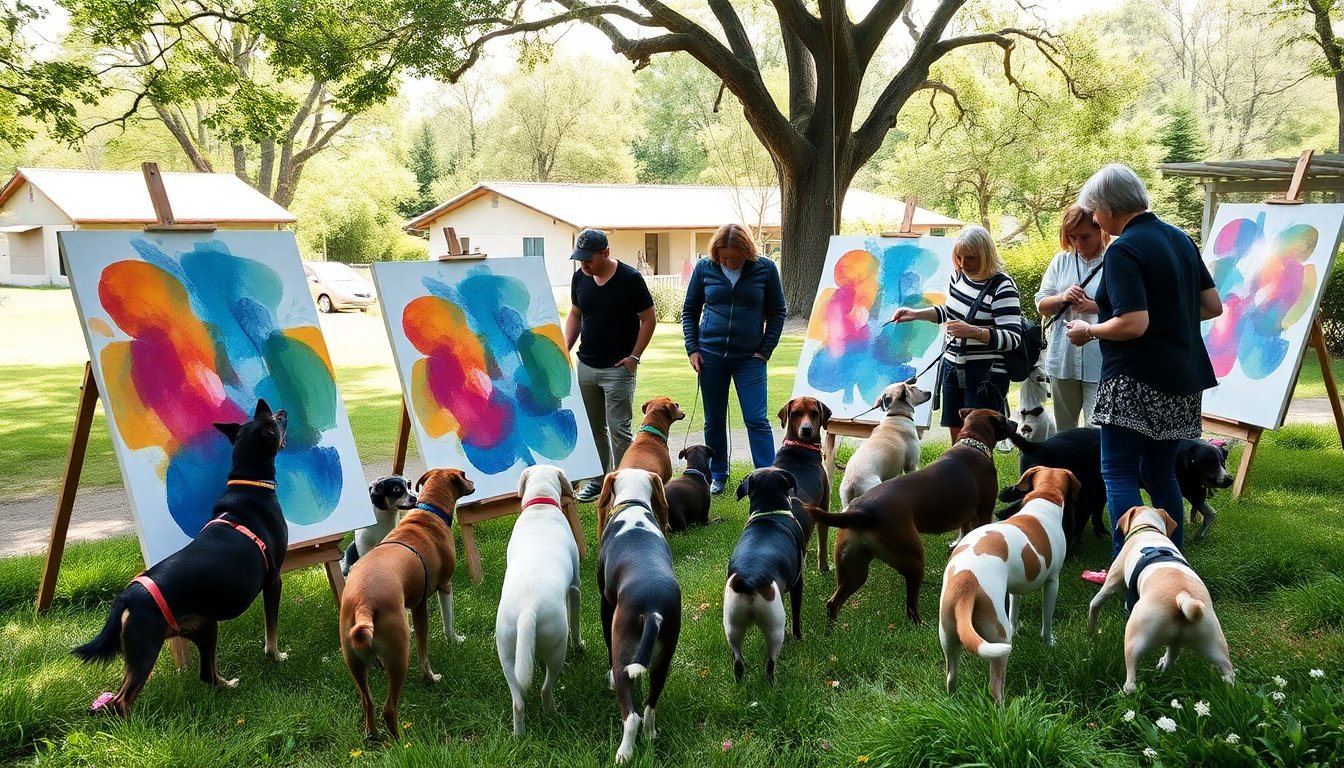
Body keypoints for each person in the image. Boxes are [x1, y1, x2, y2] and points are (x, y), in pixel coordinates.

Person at [1064, 164, 1222, 559]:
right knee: (1161, 472)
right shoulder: (1180, 239)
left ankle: (1134, 565)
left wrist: (1090, 331)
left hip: (1135, 378)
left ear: (1107, 207)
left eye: (1095, 212)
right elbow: (1210, 305)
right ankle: (1172, 563)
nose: (1096, 220)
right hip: (1183, 378)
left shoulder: (1124, 249)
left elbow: (1134, 324)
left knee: (1117, 472)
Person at [890, 225, 1023, 443]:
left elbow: (1012, 338)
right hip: (953, 367)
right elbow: (949, 312)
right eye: (959, 257)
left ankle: (979, 476)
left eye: (970, 258)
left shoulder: (1003, 287)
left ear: (985, 254)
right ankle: (958, 476)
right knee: (956, 434)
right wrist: (915, 314)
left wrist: (973, 332)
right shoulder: (958, 276)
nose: (963, 264)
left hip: (985, 375)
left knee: (977, 439)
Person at [682, 223, 787, 495]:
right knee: (713, 419)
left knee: (756, 419)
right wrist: (693, 348)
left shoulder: (765, 269)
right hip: (710, 355)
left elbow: (778, 313)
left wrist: (765, 350)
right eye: (722, 257)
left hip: (749, 358)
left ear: (746, 251)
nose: (726, 262)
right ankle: (718, 474)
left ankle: (767, 475)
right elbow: (690, 310)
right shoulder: (705, 268)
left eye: (732, 257)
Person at [564, 228, 657, 502]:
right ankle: (597, 479)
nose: (584, 264)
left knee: (619, 429)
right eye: (580, 258)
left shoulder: (630, 279)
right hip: (586, 366)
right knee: (594, 428)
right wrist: (564, 347)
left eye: (588, 258)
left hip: (618, 370)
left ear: (605, 252)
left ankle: (626, 482)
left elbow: (649, 319)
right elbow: (576, 313)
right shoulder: (580, 277)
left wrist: (634, 357)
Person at [1036, 206, 1109, 430]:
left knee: (1097, 431)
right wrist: (1062, 297)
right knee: (1064, 430)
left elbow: (1131, 311)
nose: (1078, 243)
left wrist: (1094, 306)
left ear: (1101, 230)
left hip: (1100, 359)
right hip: (1063, 359)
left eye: (1085, 236)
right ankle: (1065, 467)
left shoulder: (1115, 259)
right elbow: (1042, 305)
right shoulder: (1061, 261)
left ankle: (1092, 467)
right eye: (1072, 237)